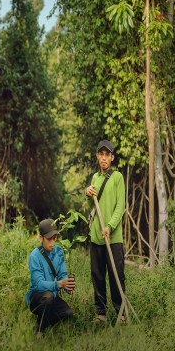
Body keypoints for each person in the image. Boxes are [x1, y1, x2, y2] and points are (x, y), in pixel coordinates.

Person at [85, 139, 126, 323]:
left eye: (106, 155)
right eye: (100, 154)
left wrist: (110, 226)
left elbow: (120, 206)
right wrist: (87, 195)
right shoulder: (94, 178)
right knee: (98, 277)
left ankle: (121, 313)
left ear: (112, 157)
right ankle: (101, 313)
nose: (103, 158)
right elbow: (91, 207)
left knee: (117, 276)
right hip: (96, 236)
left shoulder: (117, 177)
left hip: (113, 237)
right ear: (97, 156)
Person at [25, 218, 76, 336]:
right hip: (37, 297)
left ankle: (44, 321)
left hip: (52, 295)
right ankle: (39, 331)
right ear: (40, 238)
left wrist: (67, 285)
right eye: (49, 239)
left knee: (68, 313)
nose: (52, 242)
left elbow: (63, 274)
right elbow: (39, 284)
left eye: (55, 238)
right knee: (47, 296)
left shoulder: (58, 251)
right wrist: (59, 284)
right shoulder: (35, 256)